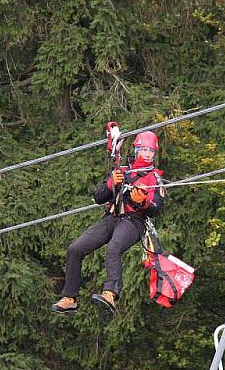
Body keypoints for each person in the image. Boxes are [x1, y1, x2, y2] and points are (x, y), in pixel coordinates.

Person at [51, 131, 165, 315]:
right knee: (75, 249)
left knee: (113, 248)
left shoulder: (154, 178)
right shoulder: (123, 170)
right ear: (136, 150)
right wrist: (111, 183)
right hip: (112, 217)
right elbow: (99, 197)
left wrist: (142, 201)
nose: (148, 154)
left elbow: (156, 208)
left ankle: (110, 293)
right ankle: (69, 298)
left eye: (151, 151)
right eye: (144, 149)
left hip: (134, 222)